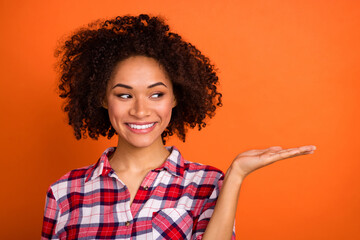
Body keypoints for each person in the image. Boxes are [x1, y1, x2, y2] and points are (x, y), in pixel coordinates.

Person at [41, 14, 316, 240]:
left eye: (156, 94)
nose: (140, 110)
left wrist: (235, 177)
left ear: (174, 98)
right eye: (124, 95)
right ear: (102, 98)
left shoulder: (207, 184)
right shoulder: (65, 192)